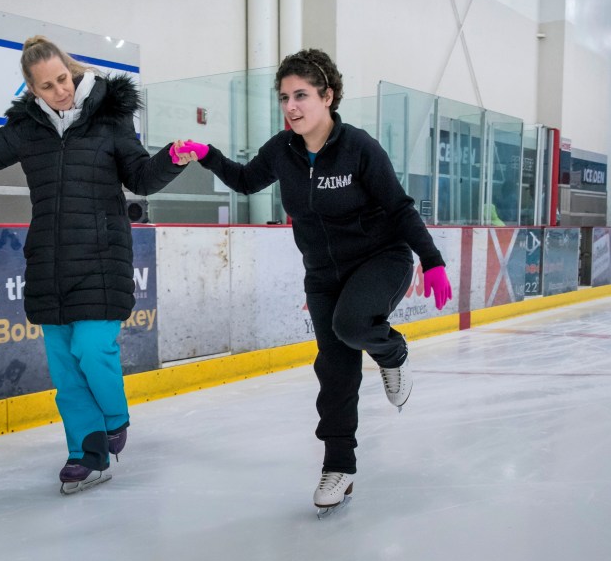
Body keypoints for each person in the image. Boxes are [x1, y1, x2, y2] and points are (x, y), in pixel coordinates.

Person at [0, 36, 192, 495]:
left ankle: (115, 417)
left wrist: (171, 158)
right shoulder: (27, 130)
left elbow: (141, 178)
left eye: (63, 79)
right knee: (66, 370)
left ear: (73, 72)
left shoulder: (109, 121)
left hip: (102, 257)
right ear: (32, 91)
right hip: (50, 263)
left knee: (94, 350)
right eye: (47, 86)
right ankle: (86, 456)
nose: (61, 91)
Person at [171, 48, 453, 516]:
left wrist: (433, 259)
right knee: (335, 368)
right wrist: (206, 154)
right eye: (284, 97)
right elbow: (244, 180)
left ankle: (392, 352)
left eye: (301, 95)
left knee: (354, 324)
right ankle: (339, 464)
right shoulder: (281, 151)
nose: (291, 107)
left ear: (328, 96)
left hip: (381, 258)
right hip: (323, 274)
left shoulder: (358, 147)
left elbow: (400, 207)